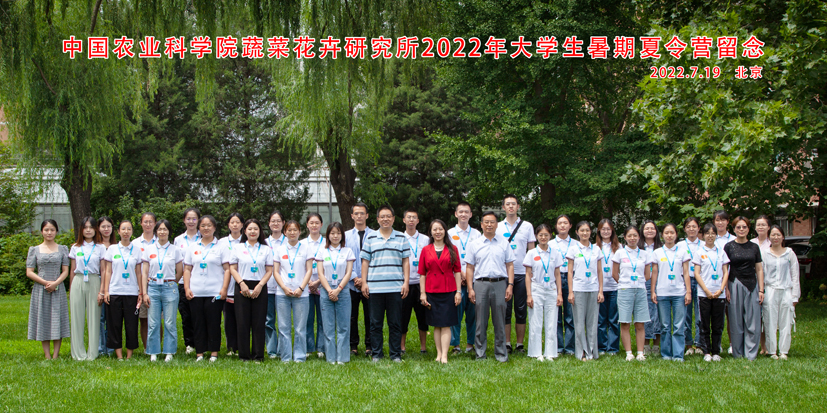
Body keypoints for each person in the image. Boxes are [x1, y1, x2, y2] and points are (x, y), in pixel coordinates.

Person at [361, 205, 411, 362]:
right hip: (375, 288)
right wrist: (364, 283)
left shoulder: (401, 237)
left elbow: (406, 261)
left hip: (395, 287)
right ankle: (377, 354)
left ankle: (395, 354)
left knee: (395, 323)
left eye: (388, 216)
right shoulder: (370, 238)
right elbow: (365, 262)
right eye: (382, 216)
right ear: (377, 219)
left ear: (393, 219)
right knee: (375, 323)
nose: (385, 219)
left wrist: (406, 282)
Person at [467, 211, 515, 362]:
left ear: (496, 225)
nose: (489, 225)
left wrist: (510, 285)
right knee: (480, 321)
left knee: (500, 320)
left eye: (492, 222)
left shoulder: (504, 243)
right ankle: (480, 354)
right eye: (486, 222)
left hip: (500, 284)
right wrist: (470, 288)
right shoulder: (474, 244)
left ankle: (501, 353)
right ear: (481, 225)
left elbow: (510, 265)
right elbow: (469, 267)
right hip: (480, 284)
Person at [183, 215, 230, 362]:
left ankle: (214, 353)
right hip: (196, 291)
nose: (206, 228)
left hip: (214, 291)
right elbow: (187, 269)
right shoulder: (193, 247)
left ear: (214, 228)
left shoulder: (221, 247)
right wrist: (186, 288)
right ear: (199, 228)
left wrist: (224, 288)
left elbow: (227, 269)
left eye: (209, 225)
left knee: (213, 322)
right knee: (198, 323)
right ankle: (200, 353)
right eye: (203, 225)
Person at [229, 218, 273, 362]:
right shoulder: (238, 248)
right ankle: (244, 355)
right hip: (242, 285)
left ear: (260, 231)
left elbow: (269, 270)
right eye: (250, 229)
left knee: (259, 322)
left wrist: (260, 285)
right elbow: (232, 268)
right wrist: (241, 283)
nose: (252, 231)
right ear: (245, 231)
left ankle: (258, 355)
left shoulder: (266, 249)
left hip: (260, 285)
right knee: (242, 322)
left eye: (255, 229)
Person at [418, 219, 462, 364]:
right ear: (431, 232)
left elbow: (457, 272)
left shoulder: (453, 249)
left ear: (445, 231)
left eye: (440, 229)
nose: (438, 232)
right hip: (432, 291)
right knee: (436, 324)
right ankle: (438, 353)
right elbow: (422, 273)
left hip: (448, 291)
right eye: (435, 229)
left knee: (446, 324)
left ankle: (445, 356)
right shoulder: (426, 250)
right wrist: (423, 293)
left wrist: (458, 292)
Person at [26, 220, 70, 360]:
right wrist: (46, 283)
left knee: (57, 319)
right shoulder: (35, 250)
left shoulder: (63, 249)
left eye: (52, 230)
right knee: (43, 319)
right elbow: (29, 272)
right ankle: (47, 355)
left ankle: (56, 355)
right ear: (41, 232)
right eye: (46, 230)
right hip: (41, 289)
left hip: (58, 289)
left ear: (56, 231)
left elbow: (65, 271)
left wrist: (55, 283)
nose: (49, 232)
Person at [497, 195, 535, 353]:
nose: (511, 206)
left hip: (522, 273)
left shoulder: (527, 226)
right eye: (508, 204)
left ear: (518, 206)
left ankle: (520, 344)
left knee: (521, 310)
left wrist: (532, 271)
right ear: (503, 207)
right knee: (505, 310)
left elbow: (532, 250)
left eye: (513, 204)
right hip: (503, 274)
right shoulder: (498, 226)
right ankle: (507, 343)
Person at [142, 219, 183, 362]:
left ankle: (169, 351)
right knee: (153, 322)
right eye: (159, 229)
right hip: (153, 287)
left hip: (169, 288)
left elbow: (179, 271)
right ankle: (153, 352)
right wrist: (144, 292)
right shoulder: (149, 249)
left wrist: (171, 282)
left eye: (165, 229)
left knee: (169, 322)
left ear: (169, 232)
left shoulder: (175, 250)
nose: (162, 232)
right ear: (156, 232)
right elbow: (144, 272)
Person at [724, 216, 765, 361]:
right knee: (736, 321)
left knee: (753, 321)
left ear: (748, 229)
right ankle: (738, 353)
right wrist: (726, 289)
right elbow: (725, 269)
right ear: (734, 229)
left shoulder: (754, 247)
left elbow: (759, 269)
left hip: (752, 285)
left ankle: (751, 354)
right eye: (738, 227)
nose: (741, 229)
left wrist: (761, 290)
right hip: (734, 283)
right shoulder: (728, 247)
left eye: (744, 227)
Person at [102, 220, 144, 361]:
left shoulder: (137, 250)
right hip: (115, 291)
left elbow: (139, 273)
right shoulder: (112, 249)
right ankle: (119, 355)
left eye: (129, 229)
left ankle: (129, 355)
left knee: (131, 324)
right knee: (114, 324)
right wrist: (106, 291)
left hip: (131, 292)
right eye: (123, 229)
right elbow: (108, 271)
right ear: (118, 231)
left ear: (132, 232)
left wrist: (140, 292)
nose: (126, 232)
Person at [273, 220, 314, 362]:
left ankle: (299, 356)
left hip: (301, 294)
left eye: (295, 230)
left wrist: (301, 288)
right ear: (285, 232)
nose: (292, 233)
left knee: (300, 328)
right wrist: (284, 288)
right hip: (282, 293)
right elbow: (276, 271)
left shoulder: (306, 248)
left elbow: (309, 270)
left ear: (299, 232)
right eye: (289, 230)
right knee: (283, 327)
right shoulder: (279, 250)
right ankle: (285, 357)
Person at [650, 223, 692, 361]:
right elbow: (654, 273)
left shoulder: (683, 252)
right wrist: (653, 291)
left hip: (679, 293)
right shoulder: (657, 252)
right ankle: (666, 353)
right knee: (665, 326)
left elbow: (686, 273)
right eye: (666, 233)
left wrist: (688, 292)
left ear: (676, 235)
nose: (669, 235)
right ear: (662, 235)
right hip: (662, 292)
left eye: (672, 233)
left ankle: (678, 354)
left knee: (679, 325)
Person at [315, 222, 355, 364]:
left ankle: (342, 357)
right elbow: (320, 273)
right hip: (326, 290)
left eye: (338, 233)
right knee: (328, 326)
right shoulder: (322, 252)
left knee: (344, 326)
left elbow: (348, 272)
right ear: (328, 235)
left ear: (342, 235)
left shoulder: (347, 251)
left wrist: (338, 289)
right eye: (332, 233)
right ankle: (331, 358)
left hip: (342, 290)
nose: (335, 236)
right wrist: (329, 290)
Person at [611, 226, 652, 362]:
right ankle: (629, 353)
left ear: (639, 237)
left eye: (635, 235)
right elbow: (614, 273)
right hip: (625, 290)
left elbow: (647, 275)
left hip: (640, 290)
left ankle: (640, 353)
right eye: (629, 236)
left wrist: (638, 282)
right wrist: (624, 283)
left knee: (640, 323)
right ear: (625, 237)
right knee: (625, 322)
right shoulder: (620, 253)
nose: (632, 238)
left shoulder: (644, 254)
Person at [566, 221, 604, 361]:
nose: (585, 233)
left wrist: (600, 291)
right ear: (577, 232)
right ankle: (581, 352)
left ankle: (592, 351)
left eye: (587, 230)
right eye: (582, 230)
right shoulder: (573, 249)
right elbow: (570, 272)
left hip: (593, 288)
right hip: (578, 288)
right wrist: (571, 292)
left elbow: (599, 271)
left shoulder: (596, 249)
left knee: (592, 322)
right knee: (579, 322)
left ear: (591, 232)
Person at [524, 224, 563, 361]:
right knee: (536, 321)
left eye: (546, 235)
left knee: (552, 322)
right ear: (536, 236)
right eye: (540, 235)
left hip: (551, 289)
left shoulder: (555, 253)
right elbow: (527, 275)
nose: (543, 237)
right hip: (537, 289)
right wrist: (529, 295)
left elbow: (557, 274)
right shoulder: (531, 253)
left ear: (550, 236)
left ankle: (550, 353)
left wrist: (559, 293)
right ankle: (536, 353)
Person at [68, 216, 104, 361]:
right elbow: (72, 270)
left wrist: (102, 290)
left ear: (95, 230)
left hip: (94, 280)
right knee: (77, 317)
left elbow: (103, 270)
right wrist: (71, 288)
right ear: (81, 230)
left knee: (94, 317)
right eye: (85, 227)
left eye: (91, 227)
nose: (88, 230)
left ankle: (92, 353)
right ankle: (78, 353)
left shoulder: (101, 247)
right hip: (78, 280)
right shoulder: (75, 247)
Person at [761, 225, 800, 359]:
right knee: (770, 321)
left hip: (786, 290)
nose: (776, 237)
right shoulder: (765, 253)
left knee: (786, 322)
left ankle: (784, 351)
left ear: (783, 237)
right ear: (769, 237)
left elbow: (795, 275)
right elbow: (761, 274)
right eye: (773, 235)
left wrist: (795, 296)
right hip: (770, 290)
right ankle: (772, 351)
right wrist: (762, 291)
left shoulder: (789, 253)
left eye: (778, 235)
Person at [693, 223, 730, 362]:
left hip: (719, 293)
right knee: (704, 324)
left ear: (716, 235)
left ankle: (716, 352)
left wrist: (721, 289)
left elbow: (725, 272)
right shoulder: (699, 252)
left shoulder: (721, 252)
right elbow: (697, 273)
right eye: (707, 233)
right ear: (703, 235)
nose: (710, 236)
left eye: (713, 233)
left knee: (717, 324)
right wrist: (706, 291)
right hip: (704, 294)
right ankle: (706, 351)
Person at [448, 201, 481, 354]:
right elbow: (448, 256)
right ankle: (455, 345)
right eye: (460, 212)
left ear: (470, 214)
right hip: (456, 279)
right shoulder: (449, 233)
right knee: (455, 313)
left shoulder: (477, 234)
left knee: (473, 314)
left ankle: (470, 344)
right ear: (456, 214)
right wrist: (460, 274)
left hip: (473, 281)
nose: (463, 214)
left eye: (466, 212)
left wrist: (468, 277)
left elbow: (479, 257)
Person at [345, 202, 374, 356]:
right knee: (351, 316)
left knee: (370, 315)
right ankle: (353, 346)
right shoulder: (345, 236)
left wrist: (364, 279)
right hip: (351, 283)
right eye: (356, 213)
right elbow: (343, 258)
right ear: (352, 216)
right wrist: (355, 277)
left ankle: (369, 346)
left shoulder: (375, 235)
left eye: (362, 213)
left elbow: (375, 259)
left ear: (367, 215)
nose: (359, 216)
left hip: (369, 283)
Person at [401, 209, 429, 355]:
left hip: (422, 284)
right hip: (404, 283)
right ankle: (402, 347)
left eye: (414, 217)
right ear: (404, 220)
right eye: (409, 217)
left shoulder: (425, 239)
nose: (411, 220)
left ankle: (423, 347)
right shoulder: (399, 238)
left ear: (418, 221)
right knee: (403, 317)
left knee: (422, 316)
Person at [175, 207, 201, 355]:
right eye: (188, 219)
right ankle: (189, 343)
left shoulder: (204, 237)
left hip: (200, 282)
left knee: (199, 314)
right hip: (183, 283)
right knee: (186, 314)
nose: (191, 221)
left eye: (194, 218)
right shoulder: (178, 240)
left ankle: (201, 341)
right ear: (184, 220)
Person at [676, 217, 703, 356]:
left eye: (694, 226)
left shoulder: (704, 245)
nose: (691, 229)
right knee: (685, 314)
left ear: (699, 228)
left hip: (700, 281)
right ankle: (688, 344)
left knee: (700, 314)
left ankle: (699, 344)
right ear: (685, 229)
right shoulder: (679, 245)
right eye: (688, 226)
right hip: (684, 280)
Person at [302, 213, 327, 358]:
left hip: (323, 286)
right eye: (311, 223)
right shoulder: (301, 244)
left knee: (322, 318)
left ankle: (321, 348)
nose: (314, 225)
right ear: (307, 225)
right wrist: (308, 283)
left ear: (321, 225)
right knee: (307, 318)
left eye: (317, 223)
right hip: (305, 287)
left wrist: (318, 282)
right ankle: (308, 347)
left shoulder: (327, 243)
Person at [220, 212, 244, 357]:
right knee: (229, 318)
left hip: (244, 283)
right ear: (228, 225)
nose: (235, 225)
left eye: (237, 222)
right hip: (227, 285)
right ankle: (231, 347)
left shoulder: (246, 240)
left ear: (242, 225)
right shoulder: (222, 242)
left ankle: (242, 346)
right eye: (232, 222)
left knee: (242, 318)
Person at [132, 212, 157, 350]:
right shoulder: (135, 243)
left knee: (157, 319)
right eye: (145, 222)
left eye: (150, 222)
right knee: (144, 318)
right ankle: (147, 348)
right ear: (141, 224)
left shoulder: (160, 240)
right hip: (140, 284)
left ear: (155, 224)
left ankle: (156, 347)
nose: (148, 224)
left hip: (156, 283)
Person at [264, 210, 287, 358]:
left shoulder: (289, 241)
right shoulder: (264, 243)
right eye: (273, 221)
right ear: (269, 224)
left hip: (285, 288)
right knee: (269, 320)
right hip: (267, 287)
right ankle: (272, 350)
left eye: (278, 221)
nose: (276, 223)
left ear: (283, 223)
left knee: (284, 321)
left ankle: (284, 349)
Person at [596, 219, 620, 355]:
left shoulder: (619, 247)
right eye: (603, 229)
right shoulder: (594, 247)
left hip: (615, 287)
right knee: (600, 320)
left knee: (613, 319)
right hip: (599, 288)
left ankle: (613, 347)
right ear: (599, 231)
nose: (606, 232)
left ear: (612, 231)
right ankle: (601, 347)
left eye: (608, 229)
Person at [639, 220, 662, 355]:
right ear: (642, 231)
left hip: (660, 282)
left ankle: (657, 345)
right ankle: (646, 344)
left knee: (659, 313)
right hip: (644, 281)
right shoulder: (638, 248)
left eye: (652, 228)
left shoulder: (661, 248)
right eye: (646, 228)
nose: (649, 231)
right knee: (646, 312)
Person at [554, 214, 575, 355]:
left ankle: (570, 347)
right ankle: (558, 347)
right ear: (556, 226)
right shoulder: (550, 244)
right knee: (556, 315)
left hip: (571, 277)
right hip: (555, 278)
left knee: (570, 314)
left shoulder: (576, 244)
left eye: (565, 223)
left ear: (570, 226)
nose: (562, 225)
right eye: (560, 223)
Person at [751, 215, 772, 355]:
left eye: (763, 224)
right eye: (758, 224)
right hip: (753, 282)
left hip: (769, 282)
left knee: (767, 316)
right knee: (756, 316)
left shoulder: (772, 243)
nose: (760, 227)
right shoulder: (751, 243)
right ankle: (758, 345)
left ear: (768, 227)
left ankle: (766, 346)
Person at [96, 216, 117, 357]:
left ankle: (110, 348)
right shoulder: (95, 246)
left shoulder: (116, 246)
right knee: (100, 317)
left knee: (111, 317)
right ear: (98, 228)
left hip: (114, 283)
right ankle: (99, 348)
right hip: (98, 282)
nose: (106, 229)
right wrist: (102, 290)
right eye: (103, 226)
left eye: (108, 226)